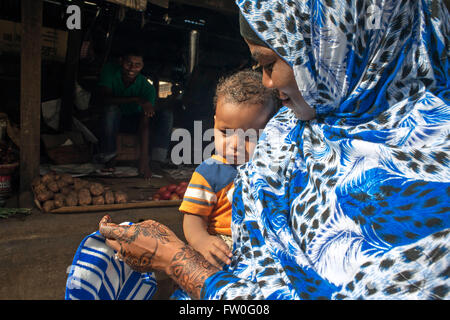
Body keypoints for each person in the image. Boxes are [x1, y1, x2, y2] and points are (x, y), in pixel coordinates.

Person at [93, 0, 448, 300]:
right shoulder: (292, 127)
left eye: (269, 64)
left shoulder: (429, 174)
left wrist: (178, 263)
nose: (267, 83)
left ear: (334, 44)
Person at [180, 70, 279, 269]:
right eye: (225, 132)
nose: (235, 144)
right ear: (214, 122)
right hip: (222, 248)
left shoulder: (272, 170)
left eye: (249, 136)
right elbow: (193, 218)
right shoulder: (208, 172)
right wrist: (201, 241)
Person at [95, 47, 156, 178]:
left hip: (132, 122)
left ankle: (157, 160)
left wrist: (144, 161)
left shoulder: (147, 88)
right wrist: (135, 99)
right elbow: (105, 99)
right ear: (121, 61)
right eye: (129, 63)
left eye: (137, 65)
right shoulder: (109, 70)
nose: (132, 68)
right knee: (111, 109)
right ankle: (109, 157)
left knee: (165, 115)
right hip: (109, 120)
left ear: (142, 66)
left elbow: (145, 122)